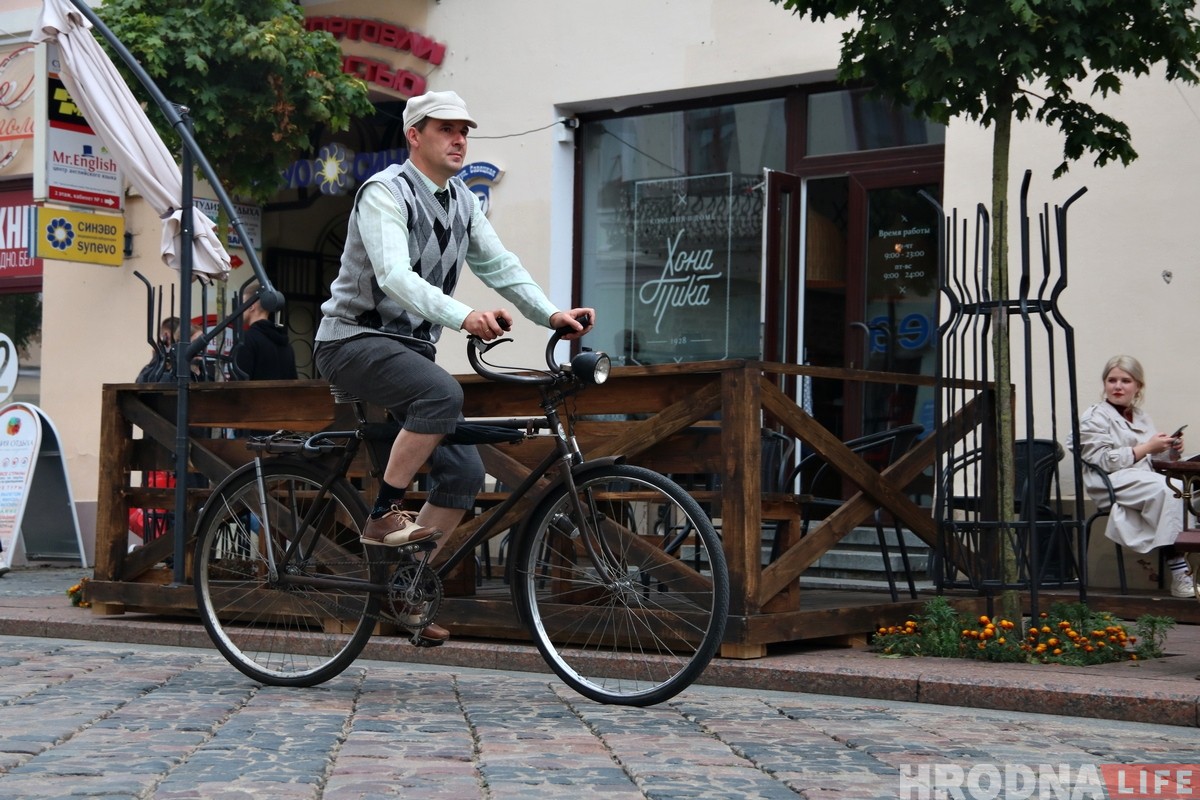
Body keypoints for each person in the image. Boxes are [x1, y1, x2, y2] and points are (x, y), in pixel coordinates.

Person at [313, 90, 594, 643]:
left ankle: (406, 587)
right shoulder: (384, 192)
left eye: (464, 130)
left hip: (408, 353)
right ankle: (384, 513)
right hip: (352, 340)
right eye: (446, 129)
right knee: (442, 394)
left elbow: (500, 265)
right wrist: (465, 316)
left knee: (464, 472)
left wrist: (550, 314)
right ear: (414, 135)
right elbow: (393, 275)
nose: (460, 139)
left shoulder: (463, 201)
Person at [1073, 355, 1196, 598]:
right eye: (1112, 380)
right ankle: (1180, 573)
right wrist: (1148, 447)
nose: (1118, 386)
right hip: (1111, 480)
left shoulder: (1140, 416)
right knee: (1172, 490)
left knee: (1187, 487)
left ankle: (1188, 560)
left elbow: (1149, 457)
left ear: (1138, 386)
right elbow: (1101, 460)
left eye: (1125, 381)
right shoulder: (1094, 417)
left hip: (1141, 478)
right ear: (1105, 384)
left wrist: (1170, 449)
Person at [233, 280, 297, 380]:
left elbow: (239, 382)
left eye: (242, 303)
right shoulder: (285, 343)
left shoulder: (247, 339)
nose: (239, 309)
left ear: (251, 306)